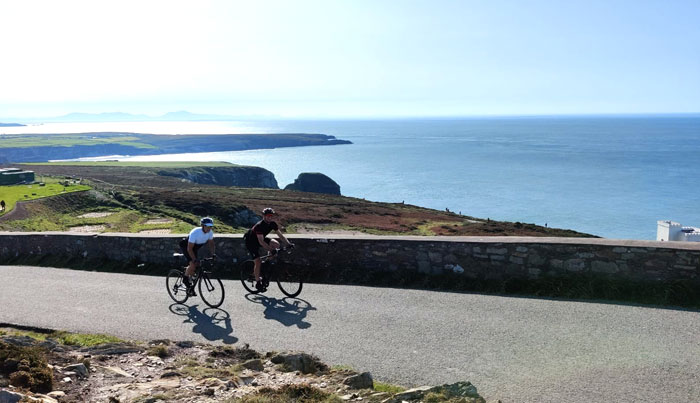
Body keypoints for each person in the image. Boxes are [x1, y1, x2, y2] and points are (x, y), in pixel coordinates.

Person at [244, 208, 293, 290]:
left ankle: (266, 263)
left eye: (271, 216)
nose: (269, 217)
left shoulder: (272, 224)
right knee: (258, 261)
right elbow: (261, 242)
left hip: (261, 238)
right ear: (263, 216)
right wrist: (271, 250)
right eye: (267, 216)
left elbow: (281, 236)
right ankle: (258, 282)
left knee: (276, 244)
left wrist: (288, 244)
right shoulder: (259, 226)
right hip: (251, 242)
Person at [179, 217, 216, 295]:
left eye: (211, 226)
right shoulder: (195, 233)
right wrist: (194, 259)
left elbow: (211, 244)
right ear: (202, 226)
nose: (209, 228)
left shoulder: (210, 232)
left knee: (197, 265)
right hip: (187, 247)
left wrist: (213, 254)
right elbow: (189, 249)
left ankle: (189, 275)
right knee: (193, 263)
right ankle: (185, 279)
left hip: (195, 247)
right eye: (207, 226)